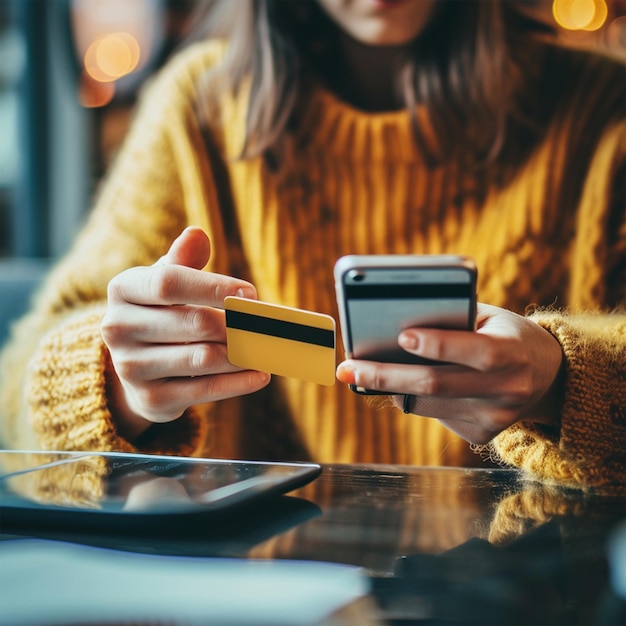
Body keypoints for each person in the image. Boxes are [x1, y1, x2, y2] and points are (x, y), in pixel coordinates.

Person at [0, 0, 624, 495]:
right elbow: (15, 402)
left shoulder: (602, 111)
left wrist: (563, 381)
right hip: (249, 591)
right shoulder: (199, 106)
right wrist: (116, 380)